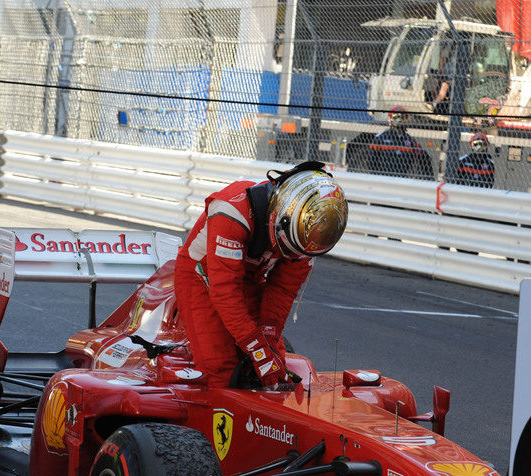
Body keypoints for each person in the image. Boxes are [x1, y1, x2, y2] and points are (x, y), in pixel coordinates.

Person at [173, 161, 348, 388]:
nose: (294, 256)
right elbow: (225, 293)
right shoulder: (231, 212)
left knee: (275, 364)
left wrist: (268, 341)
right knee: (221, 370)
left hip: (250, 278)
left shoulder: (308, 238)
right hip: (202, 276)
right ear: (280, 215)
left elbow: (282, 291)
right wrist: (256, 348)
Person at [369, 106, 434, 179]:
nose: (399, 120)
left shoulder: (410, 140)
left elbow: (423, 157)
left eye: (401, 117)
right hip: (383, 178)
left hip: (401, 179)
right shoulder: (380, 138)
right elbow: (371, 162)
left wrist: (429, 178)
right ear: (390, 119)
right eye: (396, 117)